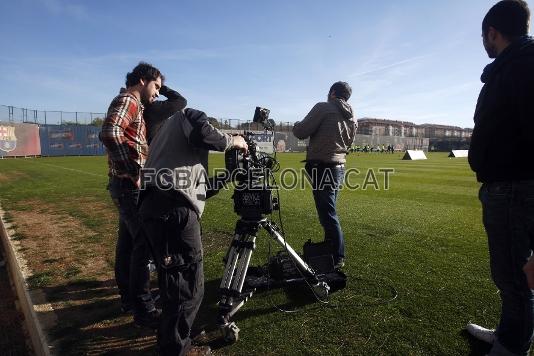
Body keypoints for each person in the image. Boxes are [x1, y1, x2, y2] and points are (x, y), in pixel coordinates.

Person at [138, 109, 247, 356]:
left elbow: (197, 188)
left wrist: (228, 176)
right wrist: (234, 141)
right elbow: (203, 133)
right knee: (188, 287)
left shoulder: (169, 139)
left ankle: (174, 337)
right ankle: (177, 348)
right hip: (172, 211)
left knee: (173, 283)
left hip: (156, 206)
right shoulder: (188, 116)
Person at [467, 1, 534, 355]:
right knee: (512, 277)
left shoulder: (521, 67)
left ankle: (511, 346)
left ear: (492, 33)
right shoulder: (513, 67)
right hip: (507, 186)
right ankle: (510, 334)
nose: (484, 42)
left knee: (514, 278)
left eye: (483, 36)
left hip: (514, 188)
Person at [100, 62, 163, 328]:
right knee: (144, 244)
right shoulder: (130, 99)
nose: (158, 93)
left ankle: (129, 298)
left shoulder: (129, 99)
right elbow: (110, 132)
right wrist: (134, 169)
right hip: (129, 185)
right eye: (156, 86)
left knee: (127, 244)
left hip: (122, 185)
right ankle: (143, 307)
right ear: (142, 80)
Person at [292, 81, 357, 269]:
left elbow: (301, 131)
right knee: (329, 211)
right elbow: (349, 142)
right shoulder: (353, 116)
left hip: (322, 167)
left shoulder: (324, 107)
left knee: (327, 214)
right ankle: (330, 251)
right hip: (339, 167)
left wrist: (296, 124)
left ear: (332, 93)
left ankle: (337, 256)